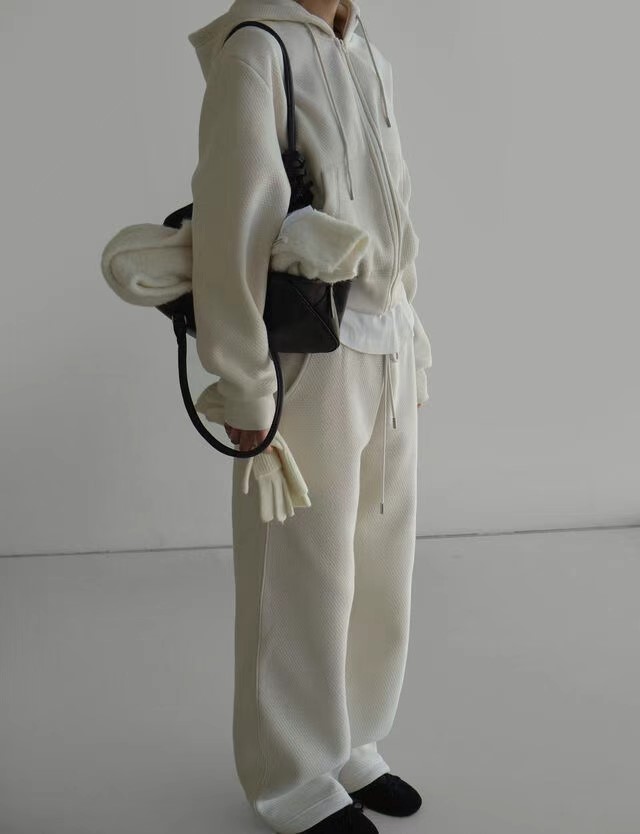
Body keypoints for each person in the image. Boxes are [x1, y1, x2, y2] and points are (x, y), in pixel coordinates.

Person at [188, 1, 433, 832]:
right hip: (309, 354)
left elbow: (395, 208)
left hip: (384, 345)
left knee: (376, 558)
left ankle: (351, 740)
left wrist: (411, 331)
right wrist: (246, 386)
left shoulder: (366, 51)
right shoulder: (255, 51)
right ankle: (290, 778)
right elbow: (232, 228)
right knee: (299, 570)